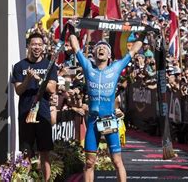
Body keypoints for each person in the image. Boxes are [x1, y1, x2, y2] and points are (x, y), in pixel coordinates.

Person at [68, 24, 145, 182]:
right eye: (98, 47)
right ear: (94, 54)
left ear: (109, 55)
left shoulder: (115, 68)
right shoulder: (89, 68)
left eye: (104, 48)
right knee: (89, 162)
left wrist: (144, 31)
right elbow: (75, 45)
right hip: (93, 121)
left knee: (117, 161)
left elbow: (134, 49)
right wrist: (71, 27)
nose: (101, 49)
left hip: (109, 119)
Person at [11, 32, 57, 181]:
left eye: (39, 44)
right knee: (27, 153)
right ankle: (25, 179)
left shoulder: (49, 66)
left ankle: (47, 180)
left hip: (43, 114)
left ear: (43, 47)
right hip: (25, 114)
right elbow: (18, 90)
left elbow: (52, 89)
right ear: (28, 46)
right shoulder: (19, 66)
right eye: (34, 44)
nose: (36, 47)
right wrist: (27, 80)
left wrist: (37, 78)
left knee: (44, 153)